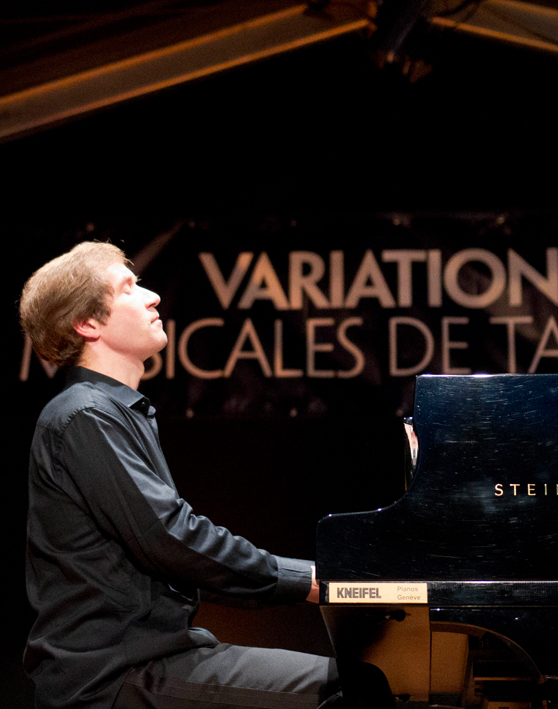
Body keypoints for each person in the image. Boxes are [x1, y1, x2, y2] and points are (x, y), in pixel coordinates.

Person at [19, 242, 339, 709]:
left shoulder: (111, 412)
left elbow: (173, 552)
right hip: (114, 676)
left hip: (156, 657)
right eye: (128, 288)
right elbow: (171, 539)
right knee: (349, 687)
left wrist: (303, 582)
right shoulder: (85, 415)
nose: (153, 297)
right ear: (87, 323)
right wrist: (312, 580)